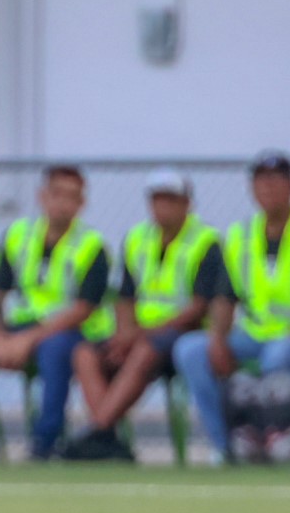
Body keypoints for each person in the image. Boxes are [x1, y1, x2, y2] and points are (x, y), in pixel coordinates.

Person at [171, 151, 290, 462]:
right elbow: (225, 296)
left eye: (276, 182)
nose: (268, 189)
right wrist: (217, 339)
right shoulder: (240, 235)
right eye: (261, 183)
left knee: (281, 354)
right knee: (190, 350)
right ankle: (225, 446)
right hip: (255, 335)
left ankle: (273, 441)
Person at [0, 165, 111, 462]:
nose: (63, 203)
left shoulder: (92, 246)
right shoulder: (18, 235)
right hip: (17, 327)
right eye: (56, 194)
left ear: (82, 204)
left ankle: (44, 443)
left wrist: (29, 339)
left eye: (72, 197)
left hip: (66, 331)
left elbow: (84, 308)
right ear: (42, 197)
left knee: (55, 352)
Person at [61, 169, 222, 462]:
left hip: (181, 332)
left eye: (171, 200)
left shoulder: (206, 241)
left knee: (145, 351)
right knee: (85, 353)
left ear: (187, 204)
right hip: (138, 332)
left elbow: (199, 307)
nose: (163, 207)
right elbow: (124, 296)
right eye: (157, 200)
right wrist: (124, 335)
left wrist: (137, 335)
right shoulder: (137, 238)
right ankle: (107, 437)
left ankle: (97, 430)